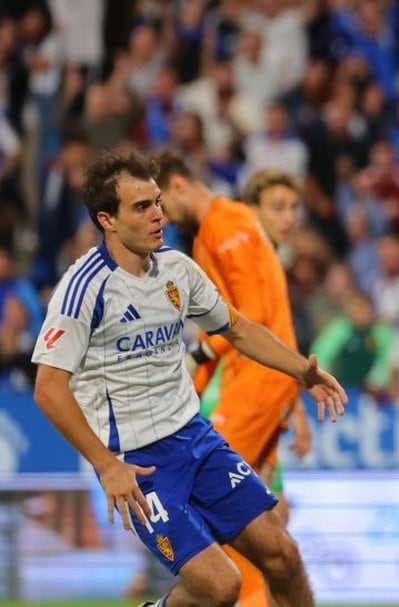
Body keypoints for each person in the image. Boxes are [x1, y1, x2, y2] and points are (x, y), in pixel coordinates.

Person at [30, 150, 348, 607]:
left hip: (197, 439)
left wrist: (303, 371)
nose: (158, 214)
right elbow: (49, 388)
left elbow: (237, 328)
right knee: (220, 587)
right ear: (108, 220)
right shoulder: (84, 289)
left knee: (284, 555)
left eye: (157, 201)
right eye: (141, 207)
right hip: (139, 463)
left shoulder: (177, 269)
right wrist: (106, 465)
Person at [151, 152, 303, 607]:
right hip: (262, 381)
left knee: (220, 503)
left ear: (178, 185)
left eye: (160, 202)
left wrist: (197, 353)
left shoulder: (225, 222)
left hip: (256, 381)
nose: (160, 217)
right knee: (262, 507)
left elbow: (247, 317)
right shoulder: (219, 229)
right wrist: (191, 385)